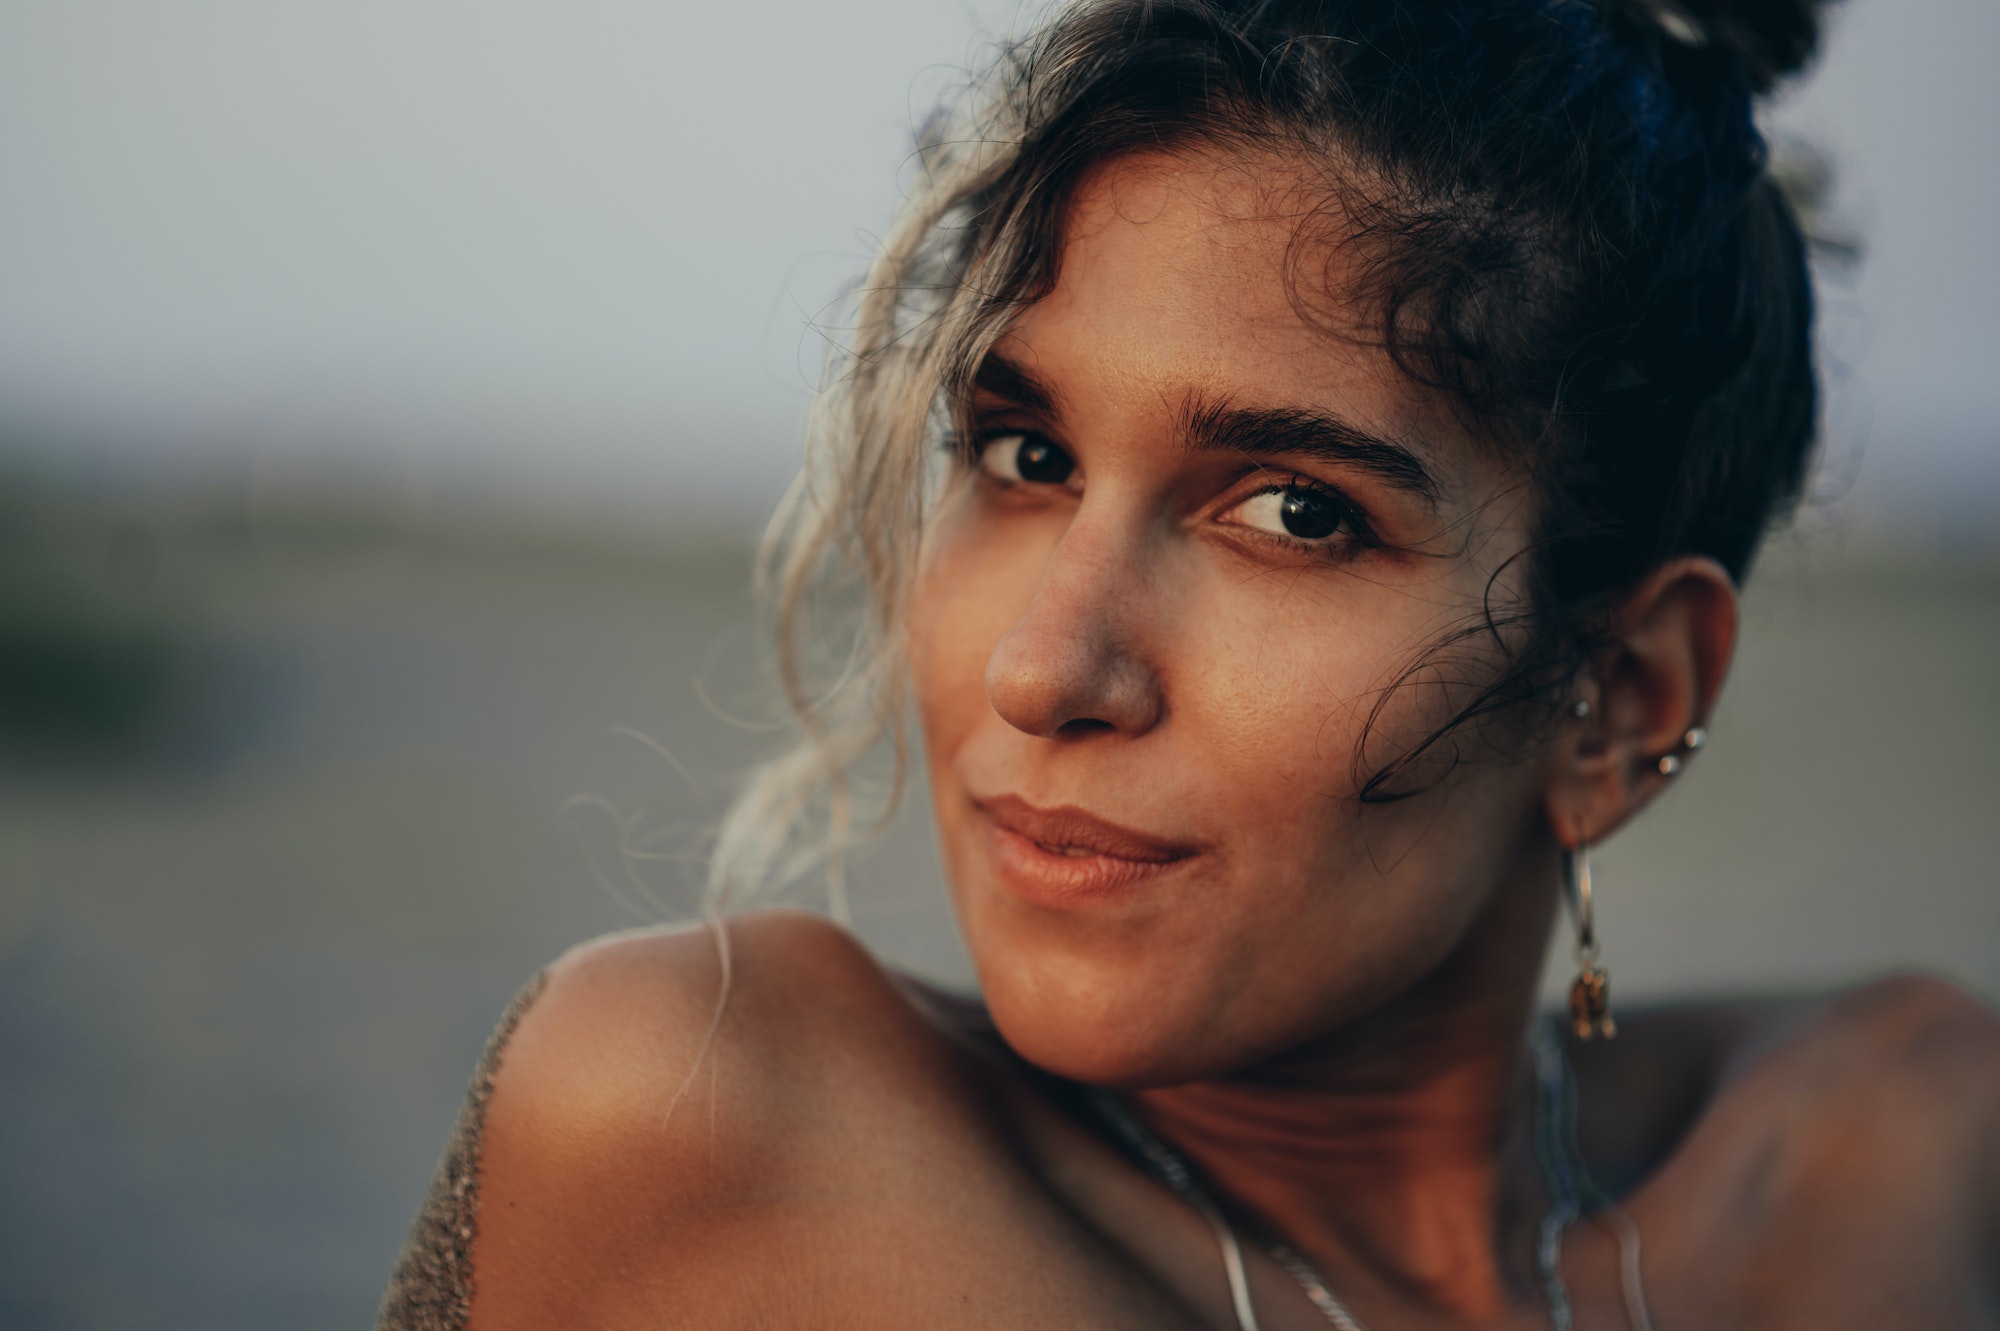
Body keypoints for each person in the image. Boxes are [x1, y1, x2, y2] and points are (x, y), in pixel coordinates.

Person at [379, 1, 2000, 1326]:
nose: (1045, 666)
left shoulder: (1904, 1157)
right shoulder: (719, 1120)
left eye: (1294, 512)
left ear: (1624, 705)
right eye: (1021, 456)